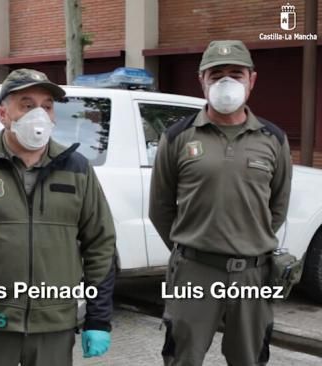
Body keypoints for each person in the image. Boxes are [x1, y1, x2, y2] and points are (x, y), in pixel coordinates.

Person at [0, 69, 116, 366]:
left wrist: (99, 318)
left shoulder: (76, 169)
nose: (39, 114)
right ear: (3, 114)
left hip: (54, 327)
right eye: (27, 105)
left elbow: (100, 245)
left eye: (47, 106)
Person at [149, 40, 292, 365]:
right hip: (194, 271)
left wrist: (246, 240)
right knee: (181, 357)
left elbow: (278, 206)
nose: (225, 82)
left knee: (249, 358)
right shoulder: (177, 137)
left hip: (252, 276)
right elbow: (160, 207)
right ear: (202, 80)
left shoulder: (274, 139)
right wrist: (192, 246)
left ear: (251, 80)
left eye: (235, 73)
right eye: (216, 74)